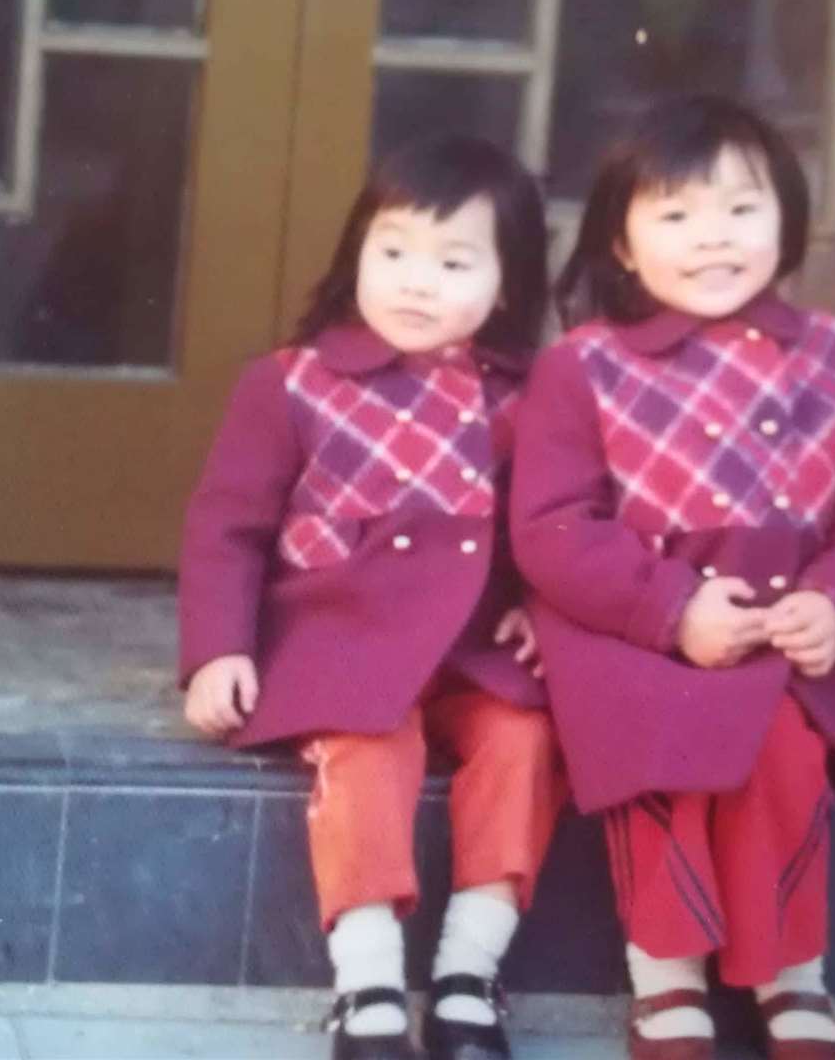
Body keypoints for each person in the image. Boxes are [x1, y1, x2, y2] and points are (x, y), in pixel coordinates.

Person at [510, 95, 835, 1060]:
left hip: (778, 621)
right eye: (675, 215)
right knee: (658, 752)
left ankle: (792, 977)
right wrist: (669, 608)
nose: (714, 239)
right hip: (632, 631)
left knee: (783, 748)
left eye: (742, 210)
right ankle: (668, 980)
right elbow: (551, 525)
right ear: (620, 242)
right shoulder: (584, 367)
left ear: (787, 221)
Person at [178, 135, 565, 1060]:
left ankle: (471, 974)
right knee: (366, 750)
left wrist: (542, 608)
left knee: (523, 739)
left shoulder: (527, 397)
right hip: (340, 640)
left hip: (471, 648)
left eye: (453, 260)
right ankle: (370, 984)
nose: (414, 281)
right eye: (391, 251)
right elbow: (227, 524)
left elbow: (561, 522)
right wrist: (216, 648)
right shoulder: (293, 383)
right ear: (355, 252)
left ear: (507, 285)